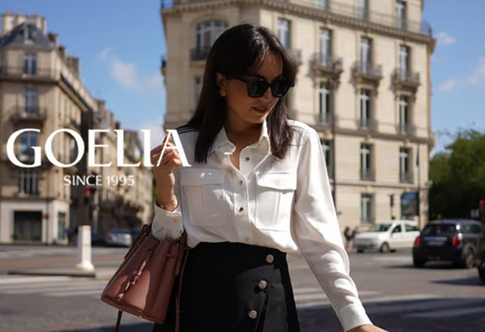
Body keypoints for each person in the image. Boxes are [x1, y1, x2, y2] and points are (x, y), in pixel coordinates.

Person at [150, 23, 388, 332]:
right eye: (256, 84)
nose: (268, 96)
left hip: (269, 308)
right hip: (194, 308)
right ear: (221, 82)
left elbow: (321, 240)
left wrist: (356, 320)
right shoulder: (183, 143)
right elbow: (165, 243)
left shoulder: (299, 142)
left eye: (279, 86)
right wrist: (165, 195)